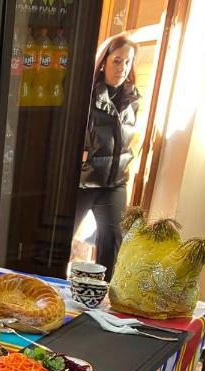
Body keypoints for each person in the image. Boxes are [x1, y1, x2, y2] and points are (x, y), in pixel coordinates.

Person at [74, 33, 139, 279]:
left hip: (114, 183)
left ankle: (101, 298)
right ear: (104, 61)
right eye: (117, 60)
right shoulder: (85, 94)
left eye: (127, 62)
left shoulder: (132, 98)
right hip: (83, 182)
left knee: (112, 243)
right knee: (56, 244)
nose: (122, 68)